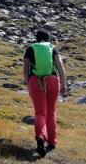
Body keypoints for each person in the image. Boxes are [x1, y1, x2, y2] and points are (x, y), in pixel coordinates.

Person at [23, 29, 67, 157]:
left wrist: (29, 85)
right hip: (52, 81)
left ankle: (41, 136)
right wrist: (63, 85)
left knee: (40, 113)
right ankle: (52, 142)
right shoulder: (52, 48)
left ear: (37, 38)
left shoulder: (30, 49)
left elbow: (25, 70)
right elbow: (61, 68)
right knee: (51, 112)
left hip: (35, 81)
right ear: (48, 38)